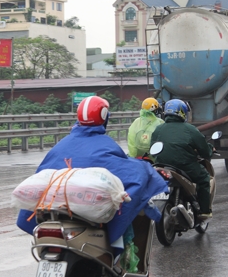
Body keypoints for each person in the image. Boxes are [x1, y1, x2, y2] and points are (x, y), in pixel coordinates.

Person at [16, 96, 168, 257]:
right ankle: (115, 254)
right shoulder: (106, 143)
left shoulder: (62, 145)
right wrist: (147, 169)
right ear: (105, 118)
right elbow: (126, 169)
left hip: (54, 214)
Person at [151, 99, 214, 220]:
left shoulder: (158, 129)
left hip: (162, 166)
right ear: (183, 113)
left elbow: (152, 148)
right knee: (204, 179)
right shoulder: (190, 129)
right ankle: (204, 211)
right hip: (186, 167)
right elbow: (204, 151)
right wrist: (210, 151)